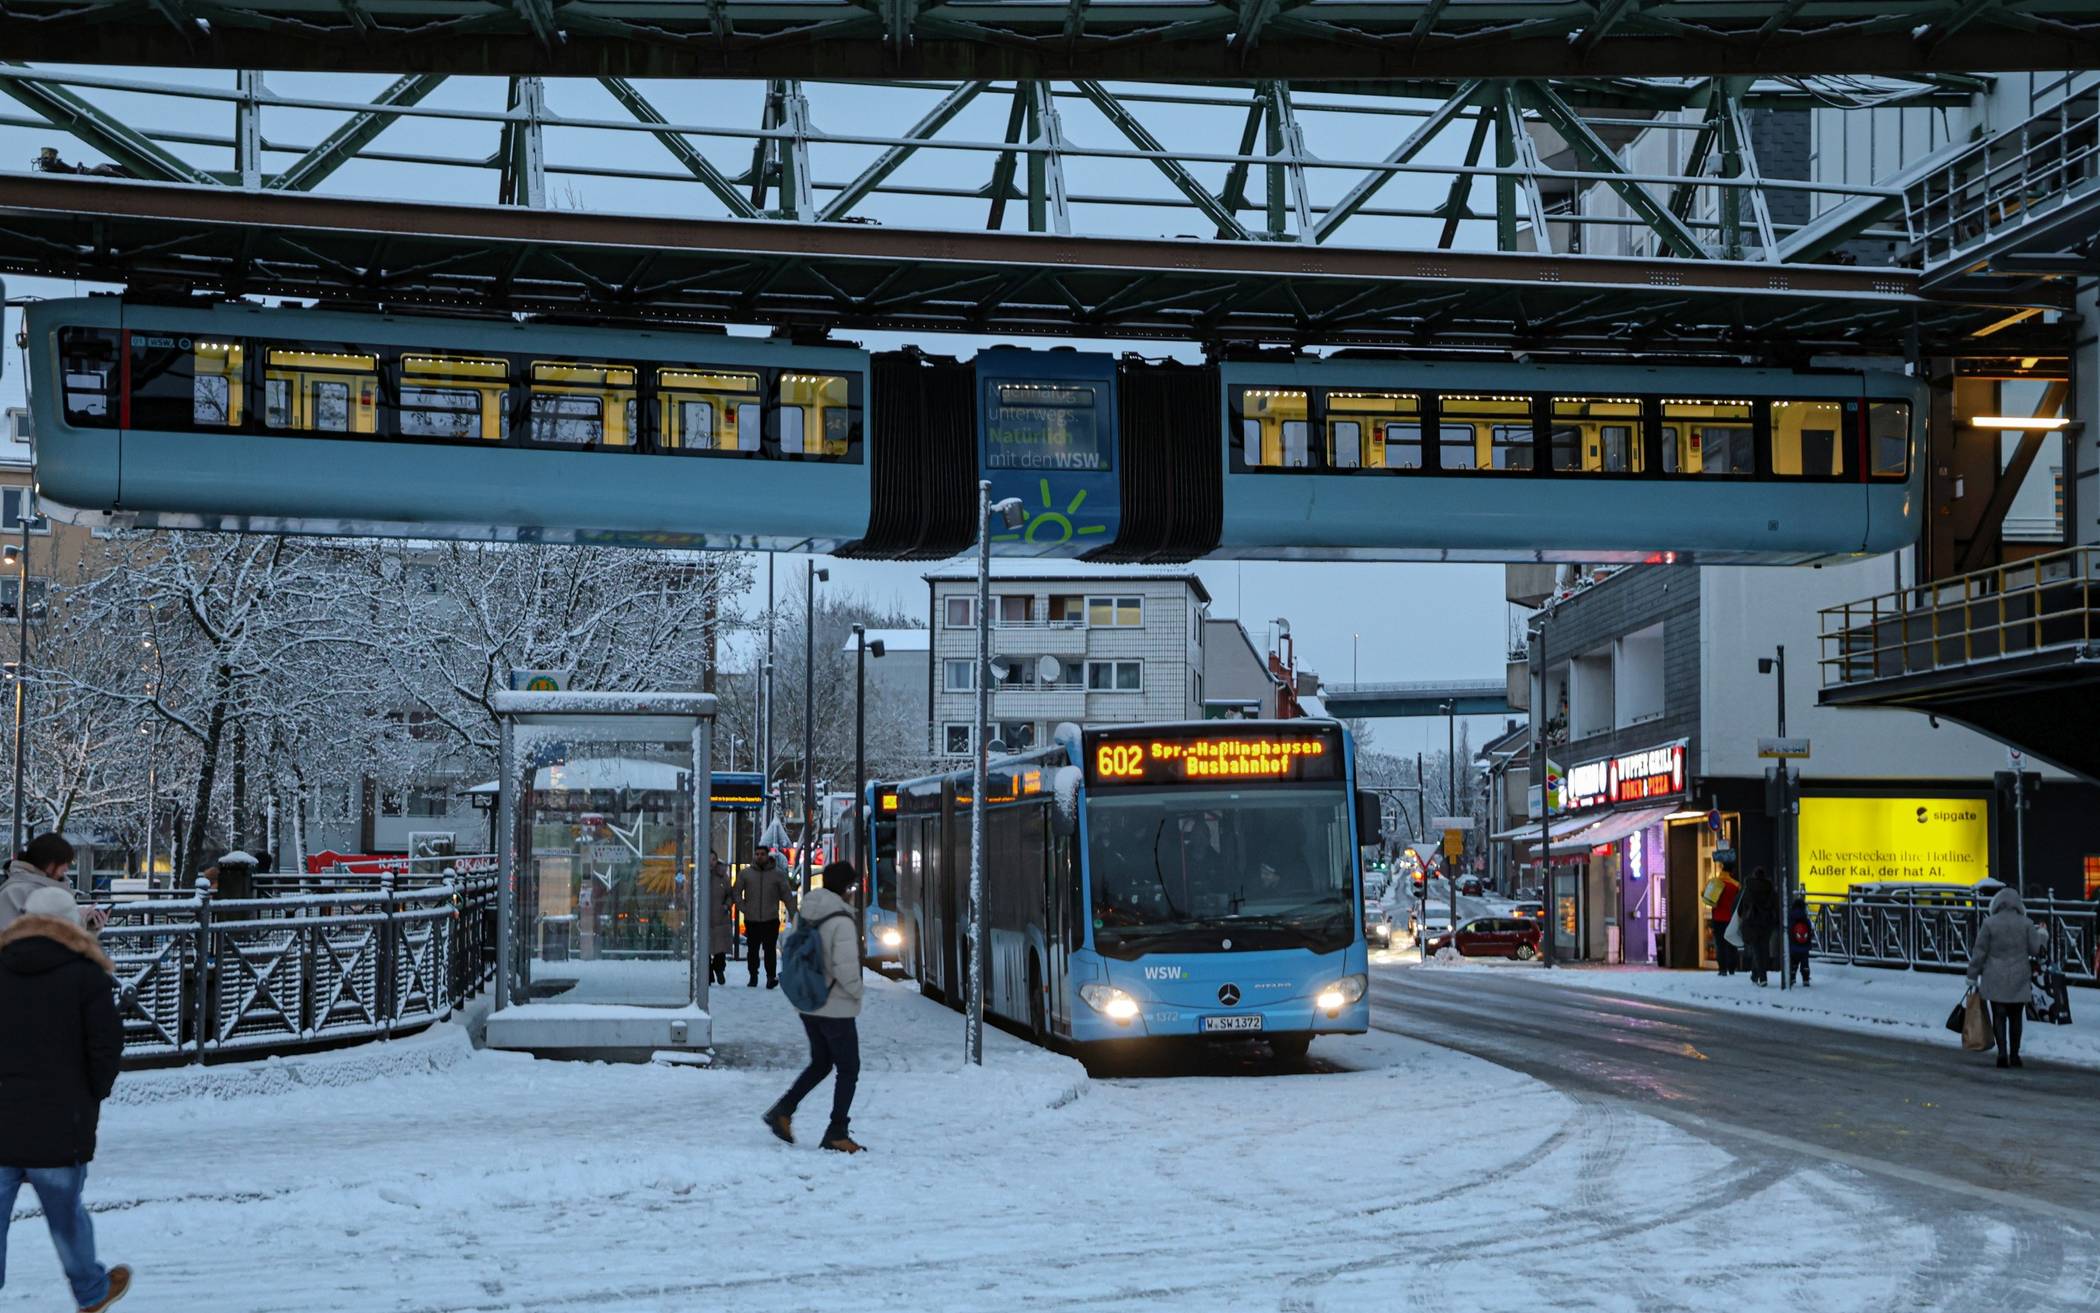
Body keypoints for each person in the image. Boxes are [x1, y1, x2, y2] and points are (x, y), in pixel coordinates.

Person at [0, 886, 131, 1311]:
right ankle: (91, 1292)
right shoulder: (87, 975)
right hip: (61, 1122)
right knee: (66, 1216)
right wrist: (92, 1093)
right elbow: (106, 1046)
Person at [761, 860, 867, 1154]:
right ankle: (837, 1131)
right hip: (835, 1007)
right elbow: (845, 968)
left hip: (809, 1003)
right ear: (846, 888)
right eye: (854, 886)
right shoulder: (841, 920)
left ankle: (783, 1110)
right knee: (849, 1068)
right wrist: (858, 992)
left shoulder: (808, 912)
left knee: (821, 1062)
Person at [1966, 885, 2047, 1069]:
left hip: (1994, 975)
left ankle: (2002, 1054)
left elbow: (1979, 952)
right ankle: (2015, 1054)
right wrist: (2042, 935)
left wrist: (1972, 975)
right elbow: (2036, 950)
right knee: (2016, 1017)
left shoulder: (1989, 923)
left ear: (1997, 904)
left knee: (1999, 1016)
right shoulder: (2026, 923)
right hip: (2019, 976)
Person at [0, 834, 106, 936]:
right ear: (49, 863)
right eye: (64, 862)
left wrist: (87, 928)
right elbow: (19, 942)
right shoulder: (16, 892)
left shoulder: (39, 888)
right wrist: (75, 922)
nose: (66, 869)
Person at [739, 851, 795, 989]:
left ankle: (771, 977)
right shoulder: (746, 874)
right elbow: (736, 892)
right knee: (753, 950)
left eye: (762, 854)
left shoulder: (777, 874)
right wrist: (743, 908)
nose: (759, 856)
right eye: (757, 854)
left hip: (770, 918)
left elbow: (786, 895)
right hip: (752, 919)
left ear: (767, 857)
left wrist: (794, 913)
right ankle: (753, 976)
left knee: (770, 950)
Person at [1735, 867, 1780, 987]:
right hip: (1766, 924)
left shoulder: (1748, 889)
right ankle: (1755, 975)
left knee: (1756, 950)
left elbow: (1741, 907)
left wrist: (1740, 917)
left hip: (1752, 923)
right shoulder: (1770, 889)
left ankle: (1762, 977)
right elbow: (1776, 905)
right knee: (1763, 950)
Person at [1708, 867, 1741, 978]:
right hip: (1731, 919)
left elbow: (1707, 897)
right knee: (1731, 943)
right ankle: (1732, 968)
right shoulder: (1735, 885)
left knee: (1720, 944)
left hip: (1718, 918)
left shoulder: (1716, 884)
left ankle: (1722, 968)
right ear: (1730, 872)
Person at [707, 858, 732, 987]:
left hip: (720, 918)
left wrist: (726, 906)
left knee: (720, 949)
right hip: (705, 918)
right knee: (705, 949)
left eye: (713, 859)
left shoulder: (723, 877)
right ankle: (708, 975)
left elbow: (730, 894)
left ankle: (719, 968)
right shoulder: (701, 874)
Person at [1786, 893, 1815, 987]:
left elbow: (1789, 931)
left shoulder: (1791, 917)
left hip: (1793, 946)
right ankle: (1806, 979)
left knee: (1793, 962)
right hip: (1804, 947)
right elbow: (1810, 932)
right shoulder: (1805, 918)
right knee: (1805, 963)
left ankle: (1792, 977)